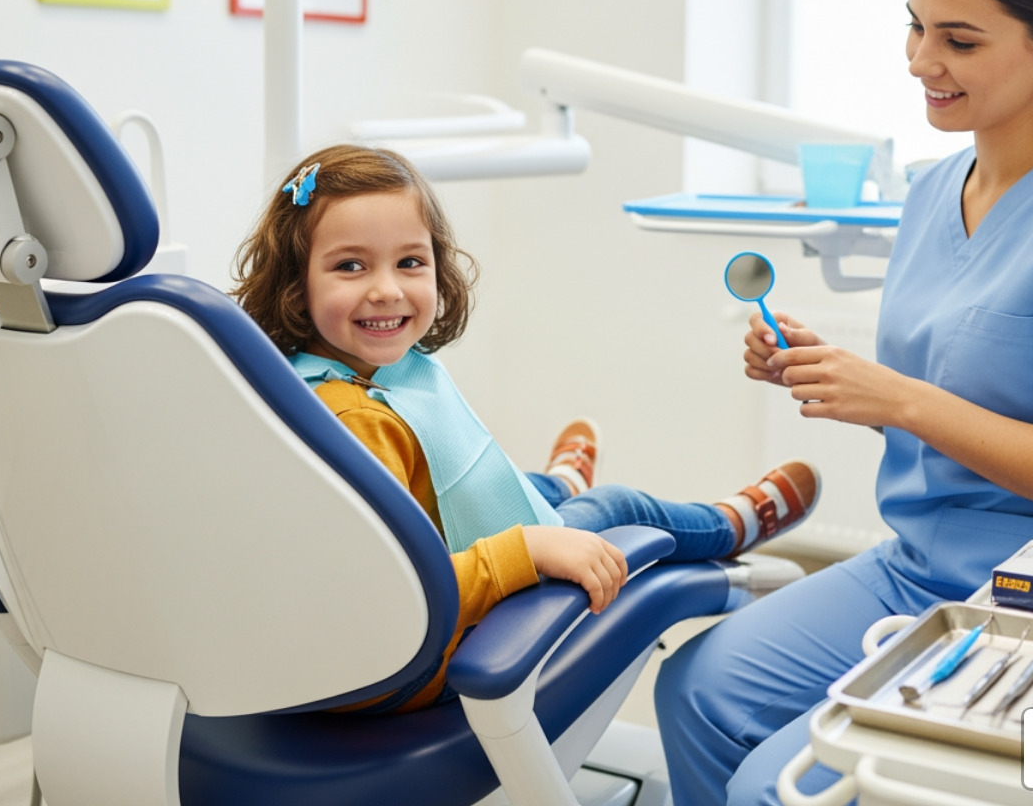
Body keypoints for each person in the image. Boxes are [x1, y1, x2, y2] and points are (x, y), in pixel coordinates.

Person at [653, 0, 1033, 805]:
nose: (921, 62)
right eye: (915, 28)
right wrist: (839, 380)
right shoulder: (936, 188)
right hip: (918, 565)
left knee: (770, 786)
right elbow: (950, 408)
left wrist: (900, 398)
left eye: (960, 41)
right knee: (698, 689)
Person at [230, 143, 821, 713]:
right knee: (611, 505)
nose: (386, 288)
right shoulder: (356, 421)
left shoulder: (301, 375)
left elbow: (435, 492)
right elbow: (394, 596)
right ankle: (727, 526)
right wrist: (530, 548)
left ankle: (554, 483)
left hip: (337, 652)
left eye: (410, 262)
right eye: (350, 266)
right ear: (296, 282)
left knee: (518, 488)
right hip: (404, 674)